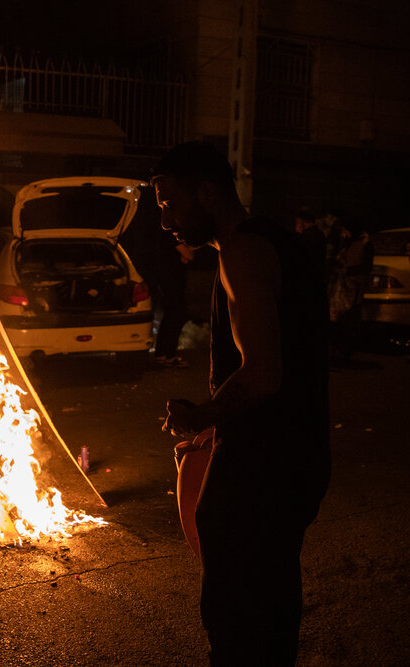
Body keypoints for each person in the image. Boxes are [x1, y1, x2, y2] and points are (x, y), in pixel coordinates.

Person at [152, 142, 330, 665]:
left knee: (240, 614)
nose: (166, 221)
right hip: (299, 454)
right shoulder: (283, 244)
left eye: (169, 203)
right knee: (272, 604)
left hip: (266, 466)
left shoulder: (243, 252)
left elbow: (264, 373)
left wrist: (200, 416)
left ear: (207, 191)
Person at [327, 217, 374, 362]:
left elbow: (366, 267)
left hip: (354, 288)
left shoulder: (364, 244)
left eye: (345, 230)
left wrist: (348, 270)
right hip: (342, 288)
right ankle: (338, 349)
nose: (343, 234)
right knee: (337, 318)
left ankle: (345, 351)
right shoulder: (348, 243)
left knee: (349, 319)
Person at [154, 232, 194, 368]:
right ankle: (170, 355)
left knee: (169, 316)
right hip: (173, 284)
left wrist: (186, 253)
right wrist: (187, 251)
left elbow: (186, 256)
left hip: (169, 283)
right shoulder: (171, 236)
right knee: (177, 316)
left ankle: (161, 354)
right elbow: (189, 255)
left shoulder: (166, 237)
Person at [294, 206, 327, 280]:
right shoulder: (320, 233)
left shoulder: (305, 236)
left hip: (307, 275)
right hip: (318, 274)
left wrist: (298, 235)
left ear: (300, 221)